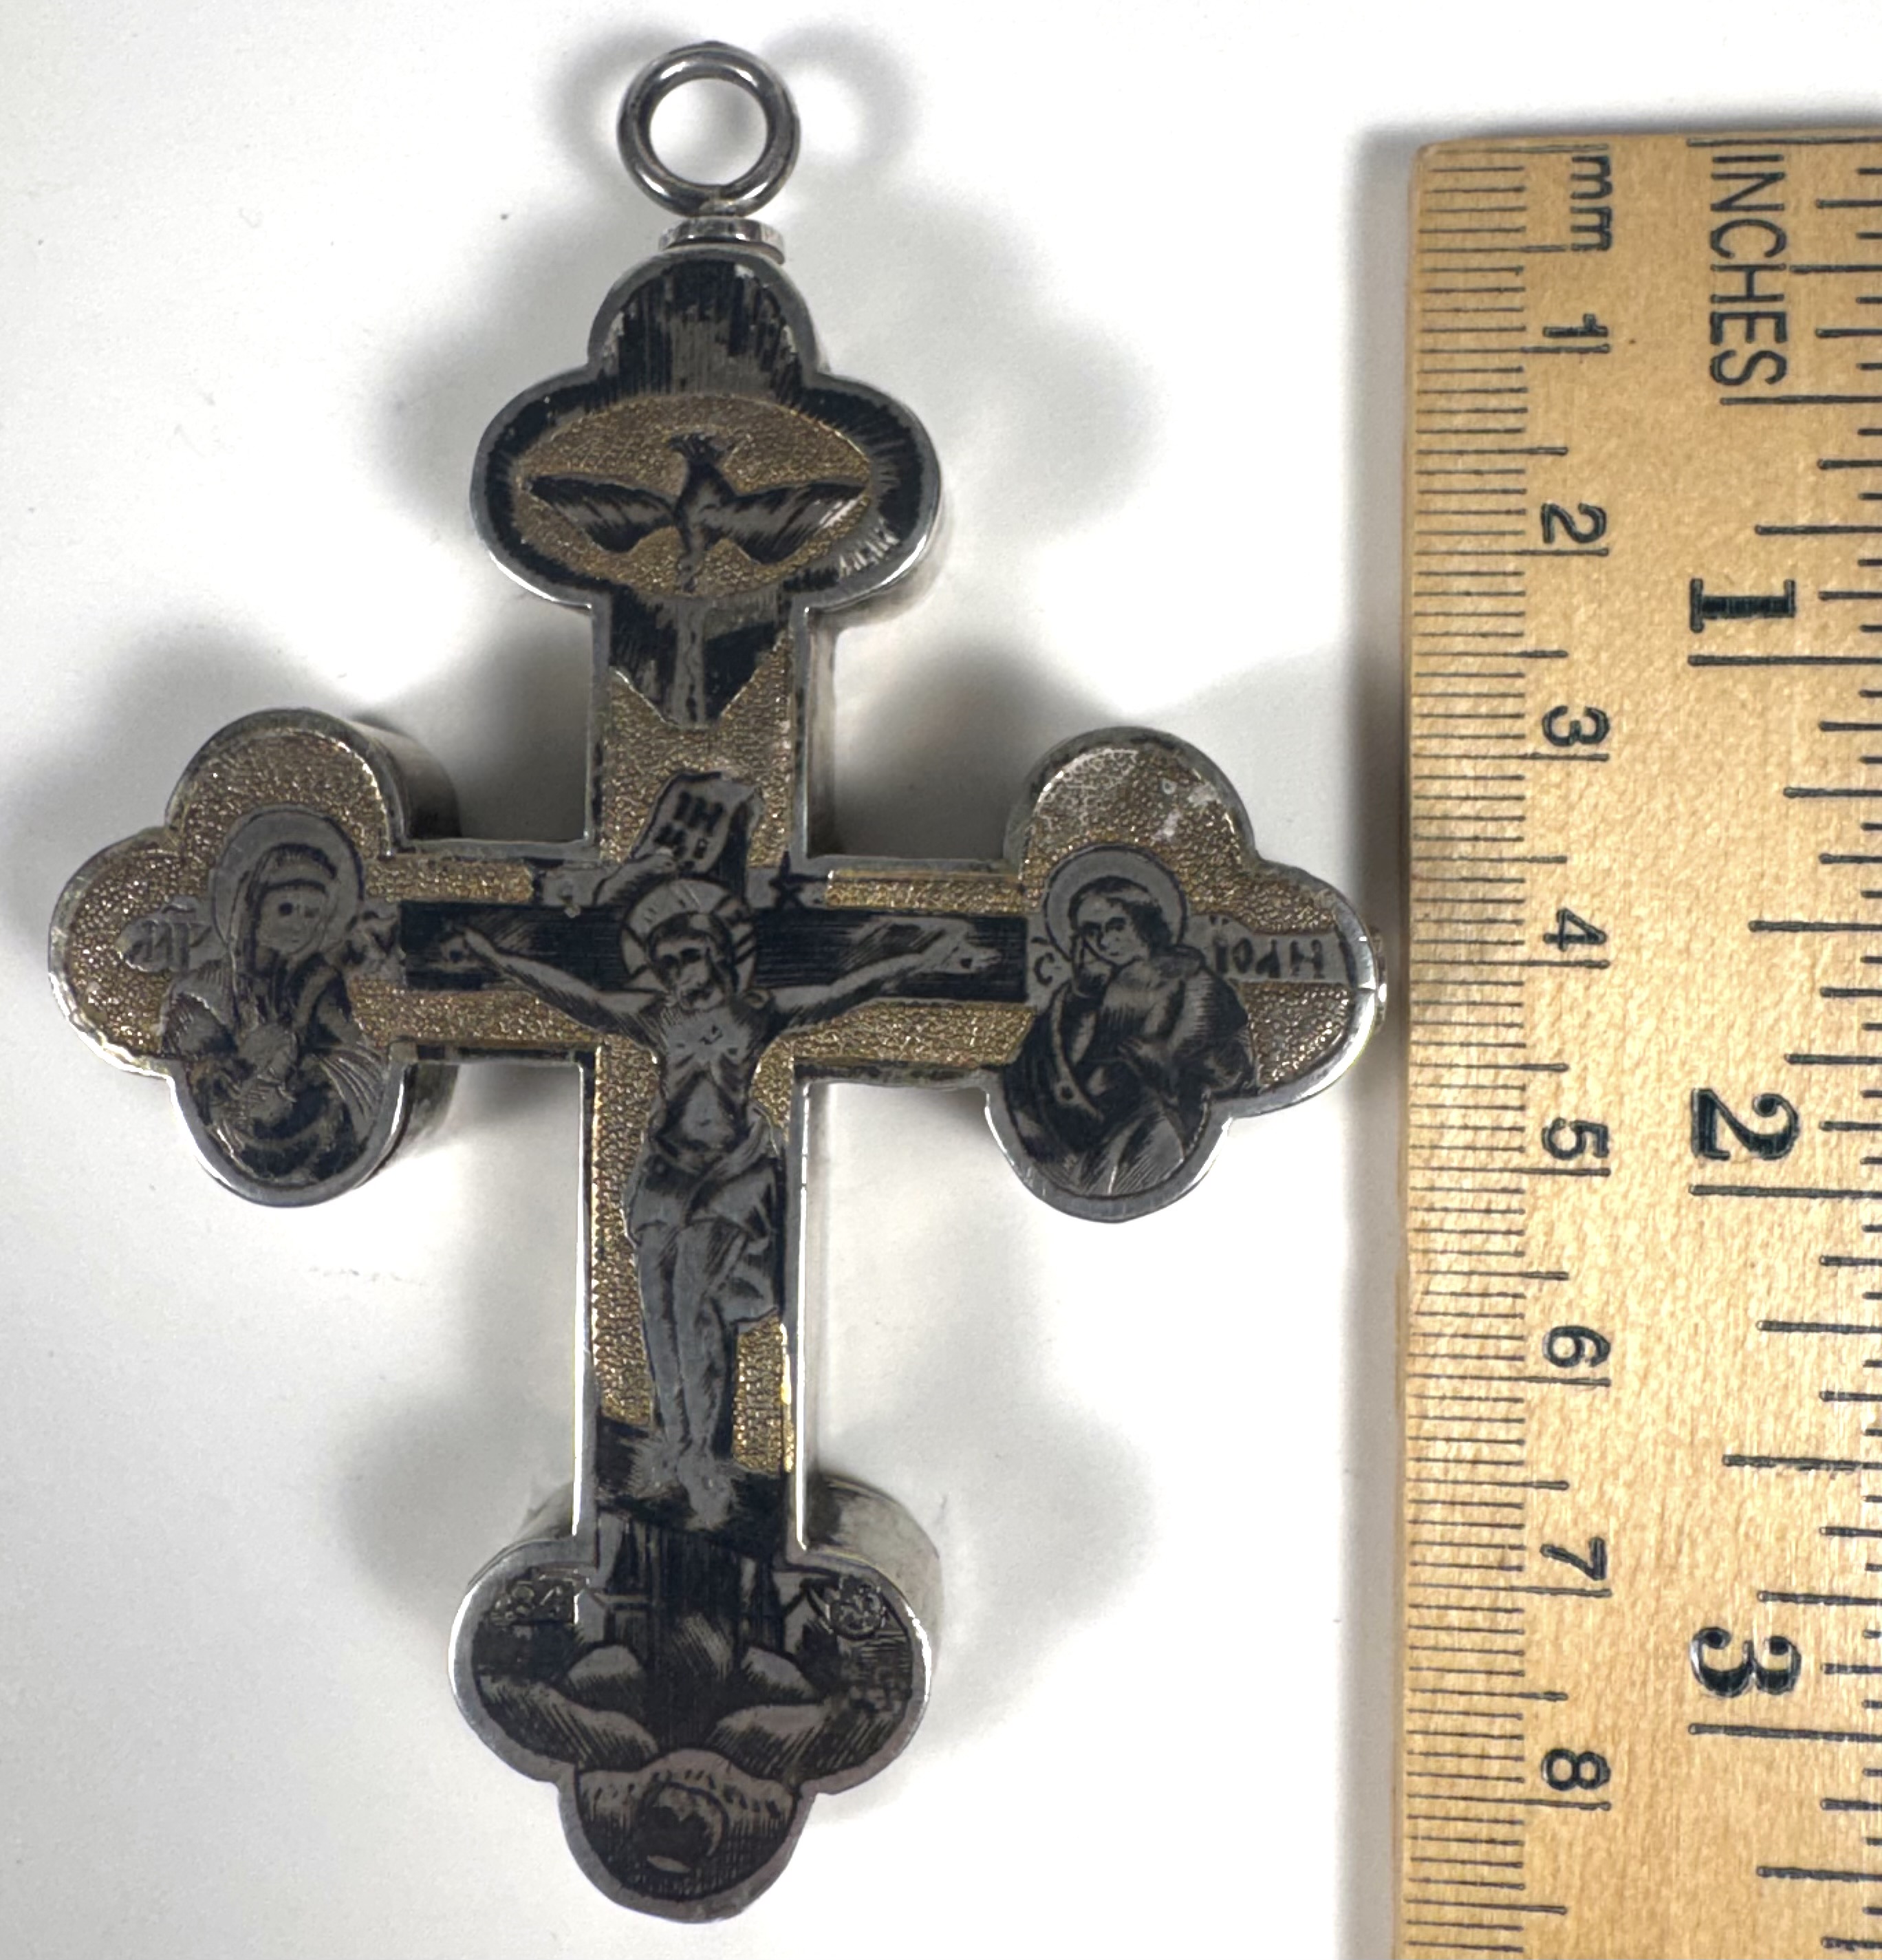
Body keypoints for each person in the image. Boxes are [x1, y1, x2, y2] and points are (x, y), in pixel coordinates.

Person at [451, 882, 993, 1522]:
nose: (680, 973)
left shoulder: (755, 1014)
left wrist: (922, 955)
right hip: (667, 1170)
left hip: (733, 1171)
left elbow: (840, 990)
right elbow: (580, 997)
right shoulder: (659, 1018)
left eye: (690, 957)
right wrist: (497, 958)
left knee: (692, 1293)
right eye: (667, 963)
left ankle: (703, 1453)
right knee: (656, 1305)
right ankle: (675, 1436)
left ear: (717, 956)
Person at [155, 812, 385, 1190]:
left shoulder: (319, 982)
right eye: (286, 908)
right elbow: (195, 1074)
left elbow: (357, 1056)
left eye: (311, 913)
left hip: (317, 1134)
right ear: (254, 909)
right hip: (240, 1135)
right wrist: (234, 1072)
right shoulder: (204, 990)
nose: (298, 923)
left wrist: (310, 1070)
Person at [1004, 865, 1256, 1201]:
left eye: (1116, 926)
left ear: (1144, 922)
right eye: (1091, 932)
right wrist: (1080, 1002)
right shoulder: (1075, 996)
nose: (1105, 941)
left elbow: (1236, 1074)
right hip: (1072, 1142)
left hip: (1152, 1134)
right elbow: (1035, 1068)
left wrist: (1169, 1069)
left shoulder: (1199, 988)